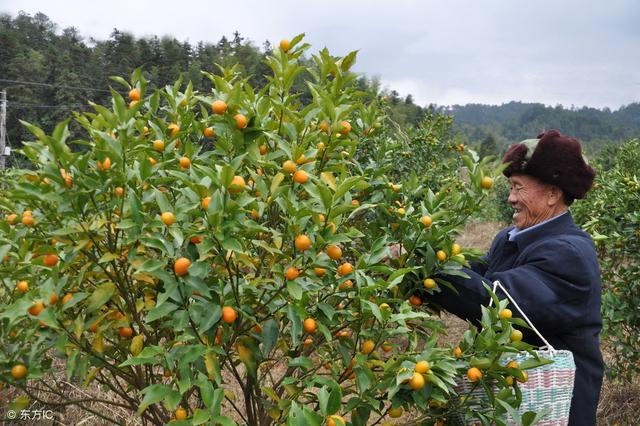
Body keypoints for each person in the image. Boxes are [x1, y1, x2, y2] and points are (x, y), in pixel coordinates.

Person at [431, 130, 603, 426]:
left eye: (518, 188)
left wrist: (431, 267)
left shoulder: (568, 252)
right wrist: (422, 261)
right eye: (510, 186)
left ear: (553, 193)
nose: (510, 198)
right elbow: (481, 273)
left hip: (554, 406)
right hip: (514, 395)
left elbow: (499, 300)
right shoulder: (512, 238)